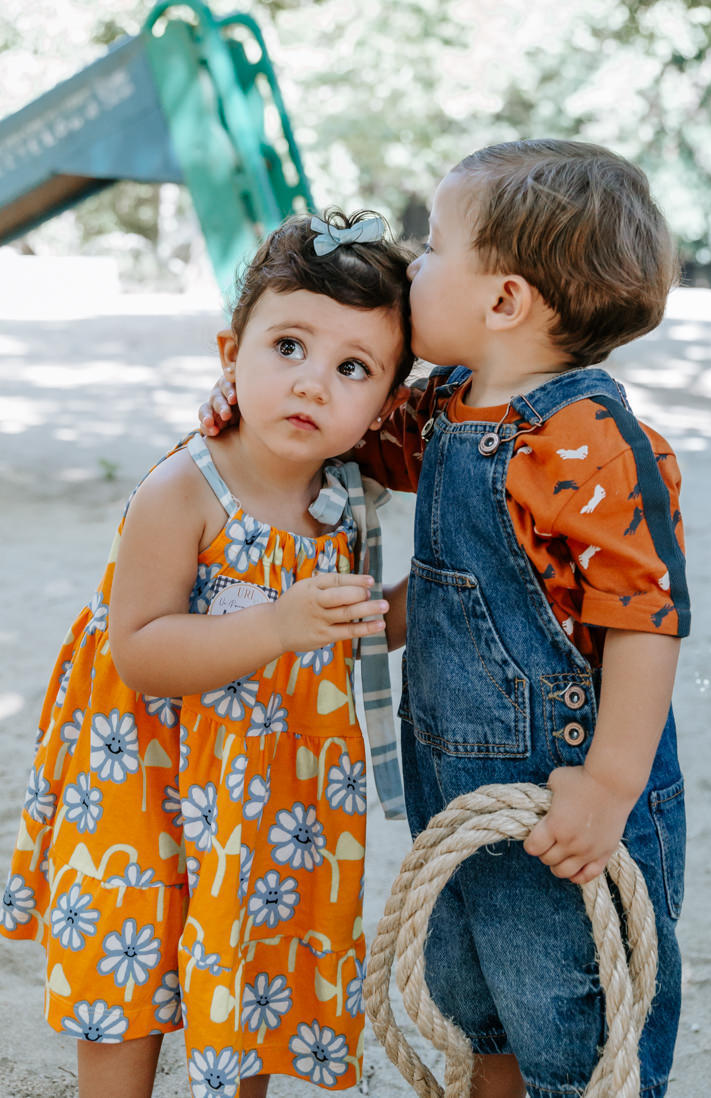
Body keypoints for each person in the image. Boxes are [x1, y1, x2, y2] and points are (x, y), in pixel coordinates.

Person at [200, 140, 690, 1098]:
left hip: (565, 795)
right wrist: (254, 399)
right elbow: (365, 443)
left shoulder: (591, 439)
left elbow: (642, 621)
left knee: (574, 1018)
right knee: (481, 1003)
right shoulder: (448, 406)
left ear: (503, 301)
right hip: (457, 780)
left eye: (430, 248)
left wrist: (609, 784)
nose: (413, 266)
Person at [1, 209, 415, 1098]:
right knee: (129, 963)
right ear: (233, 350)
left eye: (353, 368)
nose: (312, 384)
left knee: (248, 973)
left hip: (267, 794)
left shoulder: (346, 505)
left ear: (384, 405)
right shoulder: (184, 490)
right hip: (144, 779)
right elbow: (142, 650)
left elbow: (349, 630)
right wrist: (276, 626)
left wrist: (406, 605)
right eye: (289, 346)